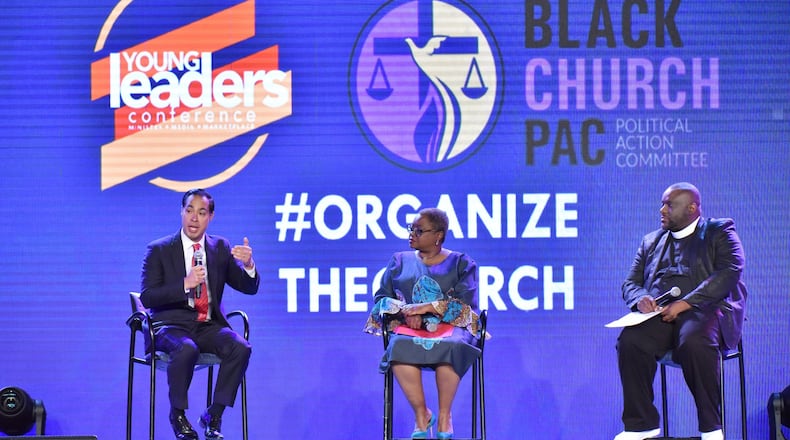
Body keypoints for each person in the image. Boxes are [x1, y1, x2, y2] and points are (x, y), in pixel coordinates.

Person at [614, 182, 747, 440]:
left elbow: (730, 270)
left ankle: (711, 428)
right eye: (663, 203)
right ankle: (641, 424)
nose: (662, 209)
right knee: (631, 340)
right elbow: (630, 283)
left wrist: (686, 303)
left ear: (692, 208)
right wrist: (641, 298)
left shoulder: (719, 231)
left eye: (669, 204)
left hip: (707, 311)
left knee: (694, 342)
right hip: (662, 316)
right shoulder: (651, 241)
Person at [140, 188, 259, 440]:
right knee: (187, 348)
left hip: (207, 325)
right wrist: (185, 283)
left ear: (210, 217)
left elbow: (249, 287)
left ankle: (213, 415)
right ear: (181, 212)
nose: (194, 218)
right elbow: (148, 297)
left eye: (201, 212)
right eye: (189, 210)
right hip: (170, 326)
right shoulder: (159, 249)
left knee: (241, 347)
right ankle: (178, 414)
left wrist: (248, 265)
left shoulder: (220, 247)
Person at [364, 208, 483, 439]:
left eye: (419, 230)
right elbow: (381, 299)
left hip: (451, 328)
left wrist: (428, 308)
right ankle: (422, 415)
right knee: (398, 345)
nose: (412, 234)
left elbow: (466, 305)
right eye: (411, 229)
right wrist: (406, 312)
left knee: (454, 345)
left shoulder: (461, 263)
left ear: (438, 235)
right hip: (411, 327)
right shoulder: (399, 261)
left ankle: (444, 417)